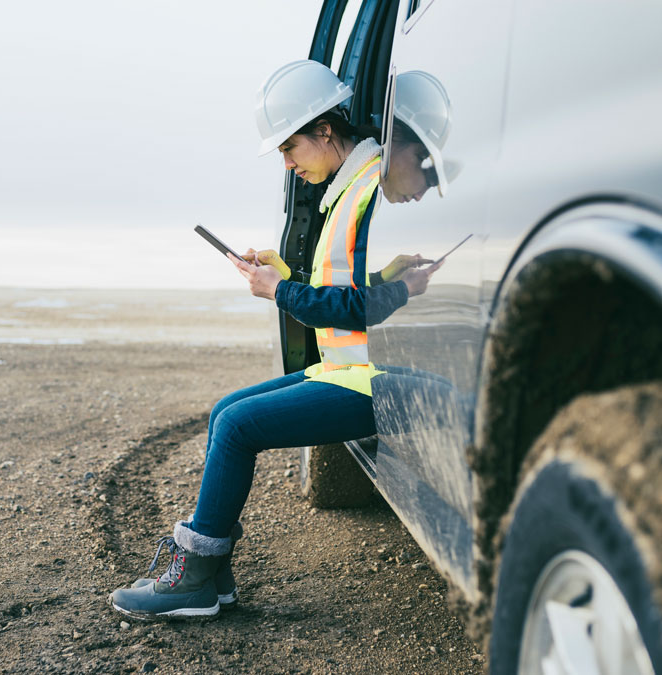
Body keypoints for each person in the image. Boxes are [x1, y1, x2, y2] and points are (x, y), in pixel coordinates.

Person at [109, 61, 447, 621]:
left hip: (373, 377)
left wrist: (280, 290)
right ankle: (212, 581)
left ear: (325, 131)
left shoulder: (371, 190)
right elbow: (360, 288)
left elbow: (366, 309)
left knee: (239, 428)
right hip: (346, 368)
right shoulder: (351, 187)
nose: (288, 164)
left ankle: (193, 578)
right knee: (225, 412)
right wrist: (285, 272)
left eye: (291, 148)